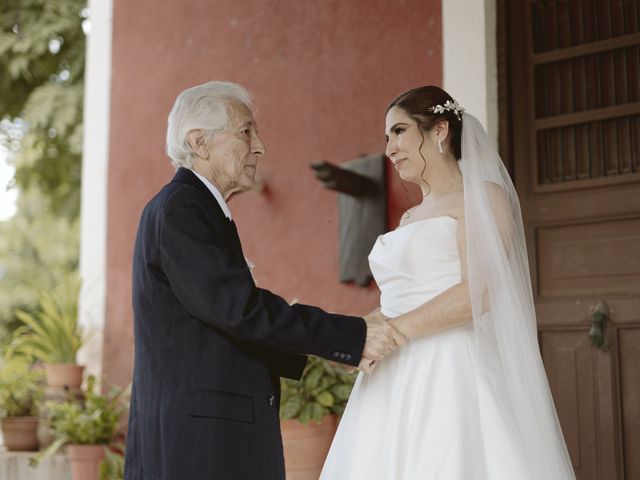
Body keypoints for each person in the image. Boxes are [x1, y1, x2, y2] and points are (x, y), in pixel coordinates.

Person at [123, 81, 406, 480]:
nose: (260, 147)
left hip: (203, 437)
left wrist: (333, 347)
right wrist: (349, 338)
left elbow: (225, 317)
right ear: (199, 142)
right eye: (245, 132)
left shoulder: (193, 207)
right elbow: (239, 310)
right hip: (200, 445)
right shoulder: (182, 208)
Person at [320, 86, 576, 479]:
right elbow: (398, 300)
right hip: (390, 376)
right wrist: (358, 337)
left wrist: (389, 333)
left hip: (451, 368)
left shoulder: (482, 198)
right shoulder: (409, 218)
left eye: (400, 131)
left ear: (439, 131)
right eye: (387, 137)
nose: (390, 148)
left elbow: (480, 291)